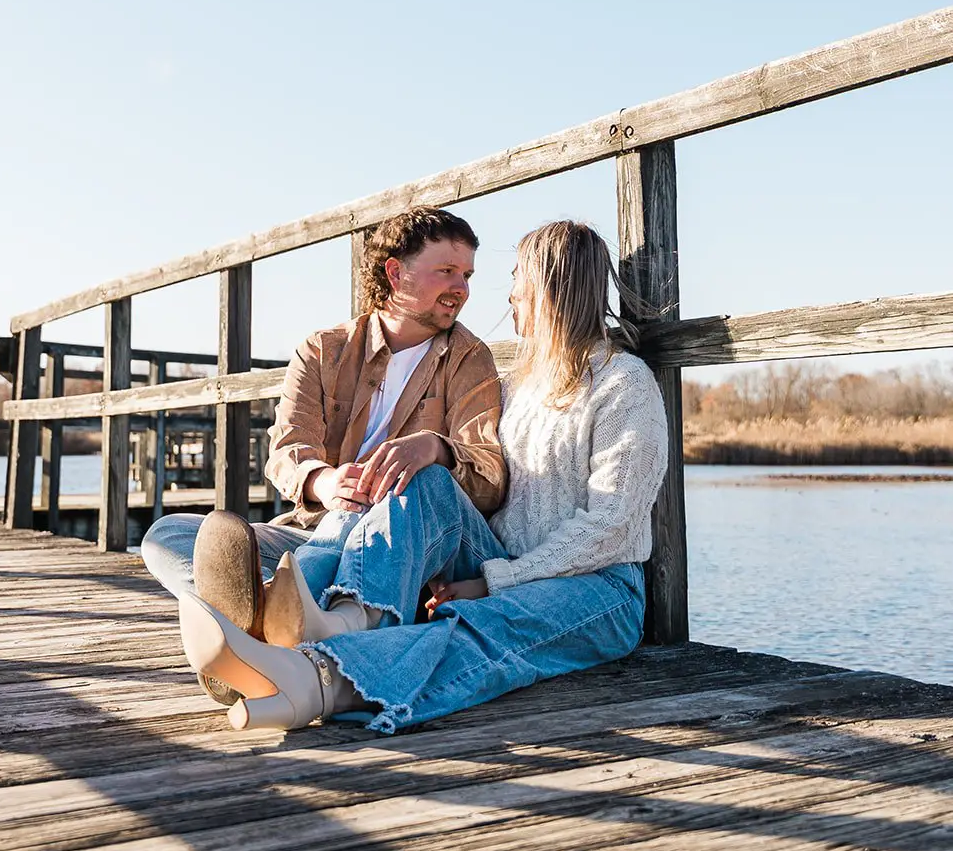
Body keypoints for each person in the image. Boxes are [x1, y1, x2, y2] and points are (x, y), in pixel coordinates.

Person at [177, 220, 669, 733]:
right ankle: (335, 621)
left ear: (547, 285)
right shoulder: (518, 385)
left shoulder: (623, 383)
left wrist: (494, 581)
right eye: (453, 271)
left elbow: (611, 526)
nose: (507, 292)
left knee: (481, 624)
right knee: (428, 481)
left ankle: (317, 676)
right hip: (477, 558)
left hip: (598, 588)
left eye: (517, 275)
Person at [141, 206, 507, 698]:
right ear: (395, 271)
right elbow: (287, 448)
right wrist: (325, 481)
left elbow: (488, 475)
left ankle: (256, 638)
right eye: (447, 271)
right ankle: (267, 622)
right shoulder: (324, 350)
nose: (461, 288)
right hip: (316, 532)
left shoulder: (469, 356)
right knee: (169, 533)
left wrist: (435, 448)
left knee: (390, 495)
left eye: (466, 275)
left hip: (401, 548)